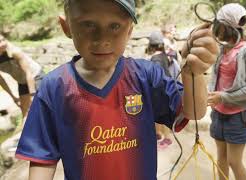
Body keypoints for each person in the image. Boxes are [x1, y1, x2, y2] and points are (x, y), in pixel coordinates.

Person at [15, 0, 218, 179]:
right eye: (88, 24)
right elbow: (42, 159)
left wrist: (195, 73)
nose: (102, 38)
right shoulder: (54, 87)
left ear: (130, 30)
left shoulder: (145, 76)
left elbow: (194, 111)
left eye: (115, 26)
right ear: (66, 25)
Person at [207, 3, 246, 180]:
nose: (216, 28)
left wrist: (223, 96)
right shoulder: (222, 49)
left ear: (227, 27)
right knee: (221, 158)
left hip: (238, 116)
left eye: (219, 25)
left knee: (234, 161)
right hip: (219, 114)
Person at [0, 34, 44, 119]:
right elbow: (1, 80)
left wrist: (32, 95)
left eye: (3, 40)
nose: (3, 43)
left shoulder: (14, 52)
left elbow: (28, 72)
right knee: (26, 114)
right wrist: (14, 97)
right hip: (22, 81)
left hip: (35, 76)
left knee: (41, 106)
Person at [147, 31, 175, 149]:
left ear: (151, 45)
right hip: (167, 89)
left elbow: (155, 79)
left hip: (159, 91)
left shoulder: (155, 59)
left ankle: (164, 137)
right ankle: (162, 136)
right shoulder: (164, 55)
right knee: (163, 116)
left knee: (159, 116)